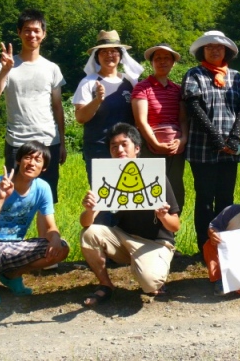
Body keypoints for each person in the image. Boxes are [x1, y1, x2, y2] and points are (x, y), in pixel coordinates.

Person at [79, 123, 180, 306]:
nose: (119, 150)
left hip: (156, 242)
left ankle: (148, 267)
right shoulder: (107, 178)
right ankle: (106, 285)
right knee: (89, 234)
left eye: (124, 144)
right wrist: (89, 209)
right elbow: (86, 224)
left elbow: (176, 225)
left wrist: (164, 216)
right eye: (114, 146)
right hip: (124, 239)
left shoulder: (155, 176)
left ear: (137, 148)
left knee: (150, 284)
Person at [0, 141, 69, 307]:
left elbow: (51, 226)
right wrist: (1, 198)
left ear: (43, 168)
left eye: (38, 160)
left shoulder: (42, 188)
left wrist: (55, 238)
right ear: (18, 161)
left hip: (15, 246)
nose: (31, 163)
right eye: (27, 158)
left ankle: (12, 275)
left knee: (61, 248)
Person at [0, 9, 66, 204]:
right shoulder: (7, 66)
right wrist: (5, 71)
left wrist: (62, 142)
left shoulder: (52, 68)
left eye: (37, 31)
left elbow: (57, 107)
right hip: (16, 142)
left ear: (44, 34)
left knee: (45, 198)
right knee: (11, 197)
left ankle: (45, 235)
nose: (32, 35)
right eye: (27, 30)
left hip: (48, 142)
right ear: (19, 32)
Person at [181, 30, 240, 254]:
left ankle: (224, 246)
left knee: (226, 198)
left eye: (219, 47)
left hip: (230, 148)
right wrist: (215, 137)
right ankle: (205, 246)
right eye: (209, 47)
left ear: (226, 51)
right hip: (202, 148)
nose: (214, 50)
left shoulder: (236, 77)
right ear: (203, 50)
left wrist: (234, 137)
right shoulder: (194, 74)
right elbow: (194, 107)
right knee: (204, 199)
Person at [73, 30, 143, 184]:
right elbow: (80, 117)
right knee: (104, 198)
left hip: (126, 149)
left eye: (113, 51)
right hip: (99, 149)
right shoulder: (88, 82)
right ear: (97, 57)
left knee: (129, 193)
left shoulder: (130, 82)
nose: (109, 55)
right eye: (104, 52)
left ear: (120, 55)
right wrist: (97, 100)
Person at [132, 43, 188, 211]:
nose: (162, 62)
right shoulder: (142, 88)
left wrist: (183, 140)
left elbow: (183, 120)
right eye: (158, 59)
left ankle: (172, 230)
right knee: (151, 188)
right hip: (150, 147)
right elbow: (141, 122)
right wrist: (156, 144)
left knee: (175, 188)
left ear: (172, 63)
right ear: (152, 63)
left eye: (166, 58)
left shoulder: (178, 90)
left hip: (176, 148)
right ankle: (151, 233)